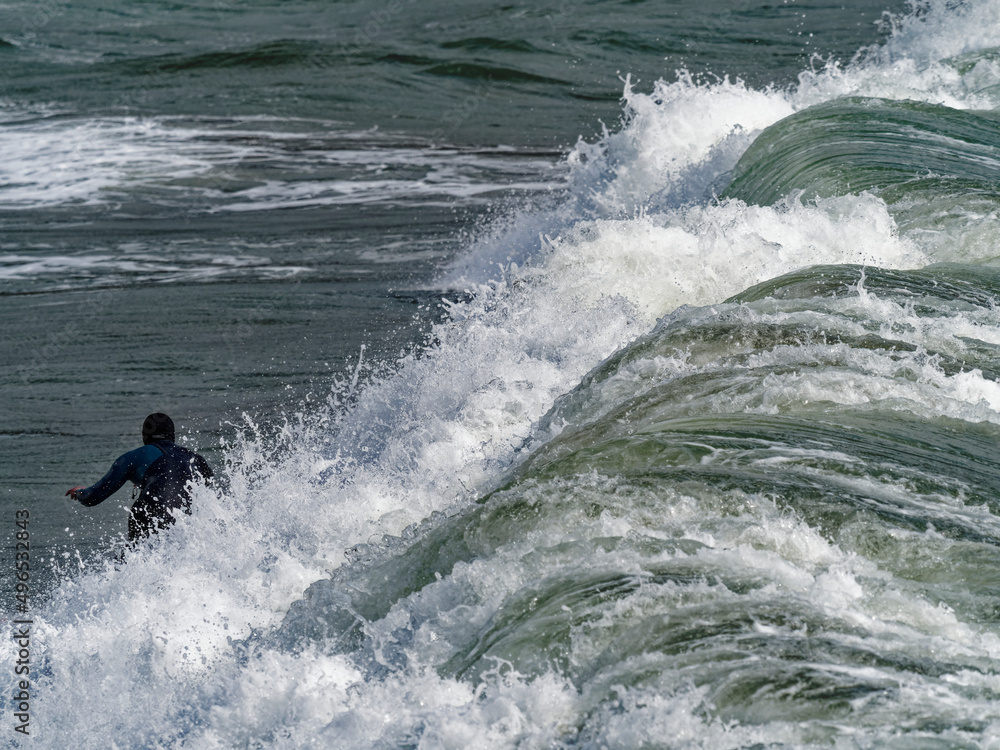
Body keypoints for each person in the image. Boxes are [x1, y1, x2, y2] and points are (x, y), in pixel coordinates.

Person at [67, 413, 213, 542]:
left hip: (150, 515)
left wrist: (80, 493)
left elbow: (92, 497)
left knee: (133, 563)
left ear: (144, 436)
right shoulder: (196, 459)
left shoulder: (135, 456)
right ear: (172, 435)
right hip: (186, 524)